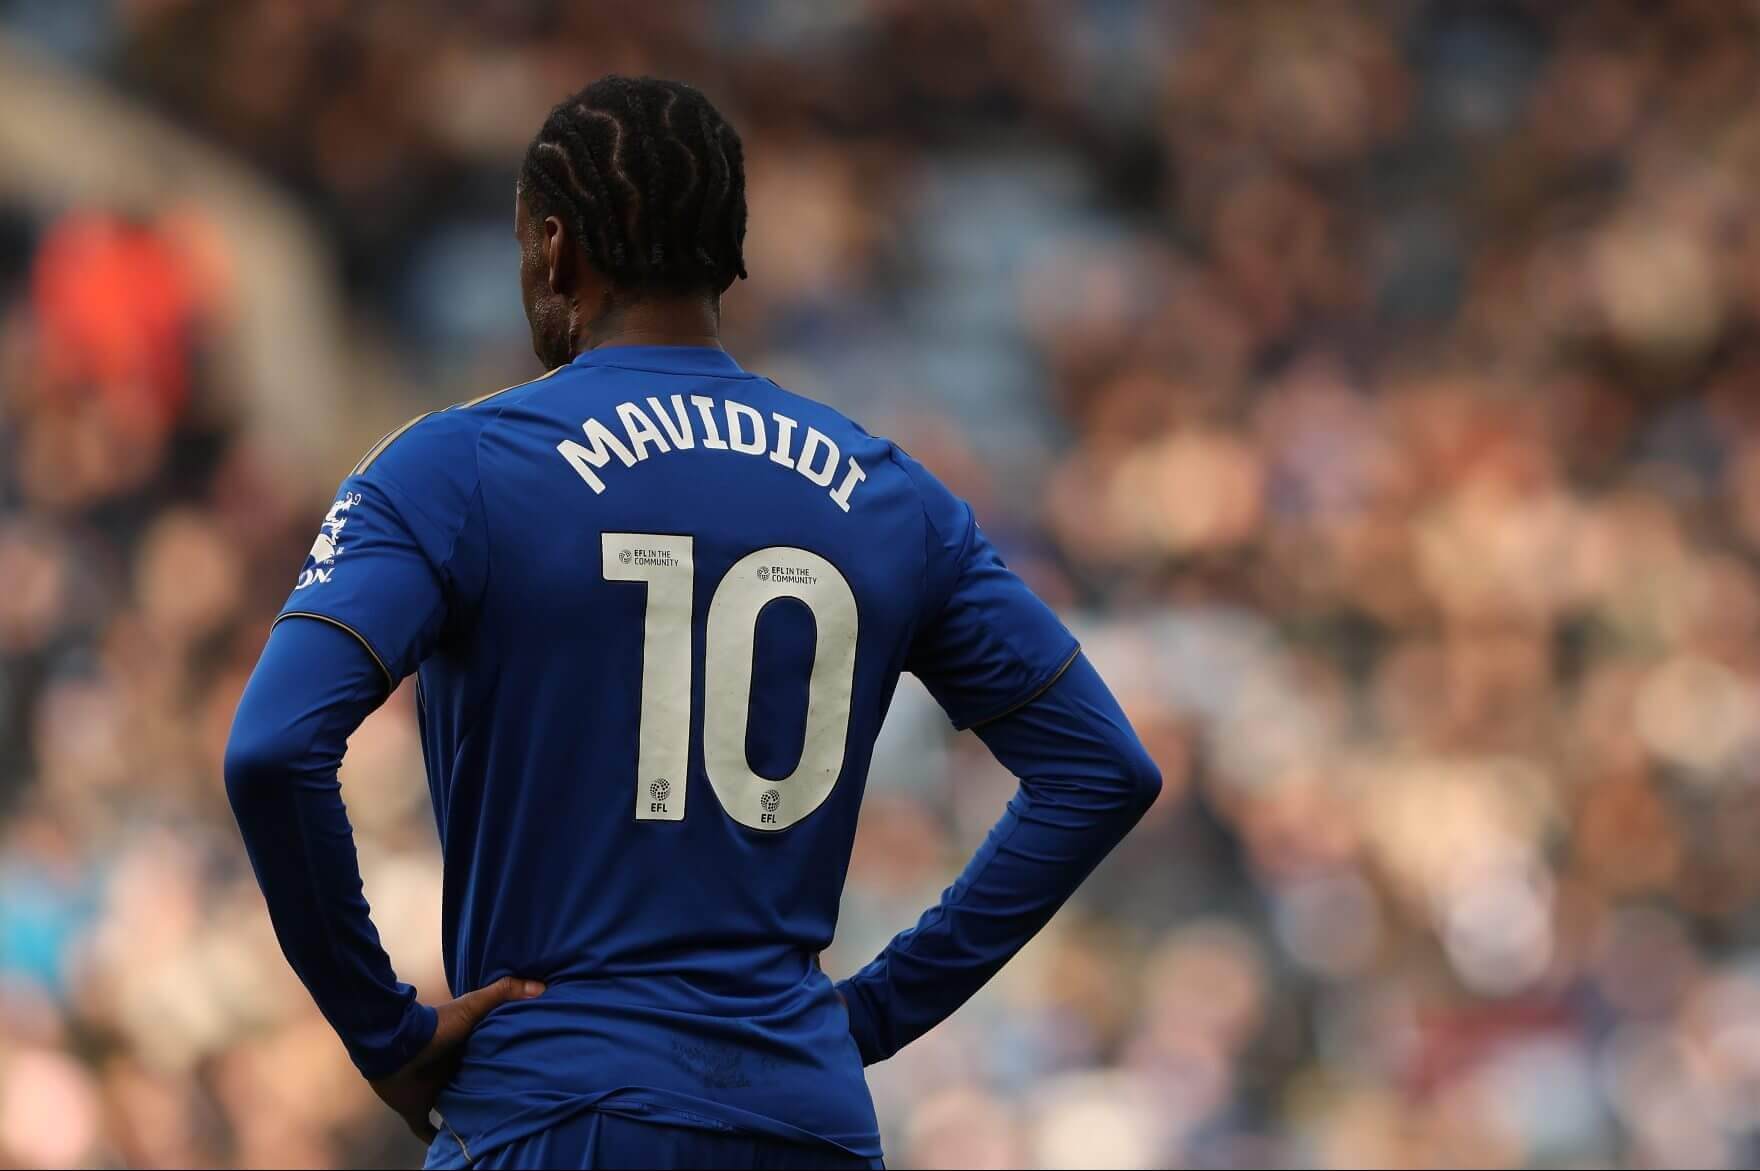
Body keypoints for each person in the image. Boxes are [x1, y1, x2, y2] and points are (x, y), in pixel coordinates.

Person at [224, 75, 1160, 1171]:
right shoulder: (887, 492)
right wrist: (868, 1014)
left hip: (558, 1108)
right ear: (728, 255)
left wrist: (383, 1031)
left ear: (556, 249)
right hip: (802, 1120)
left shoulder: (457, 467)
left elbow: (274, 745)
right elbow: (1100, 767)